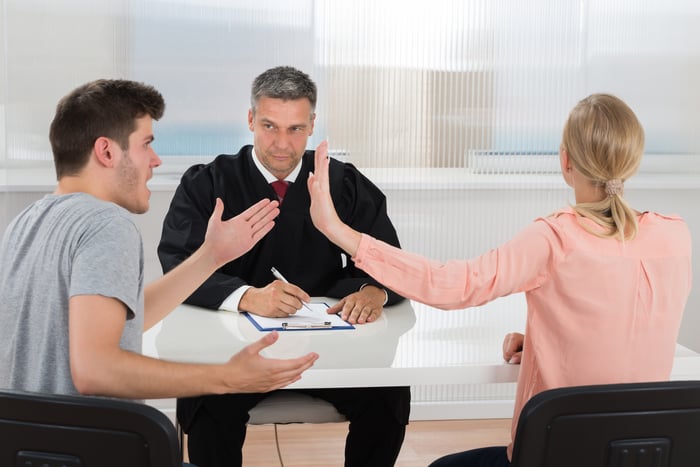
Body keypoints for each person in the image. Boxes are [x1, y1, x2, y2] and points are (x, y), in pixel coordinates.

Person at [306, 93, 692, 467]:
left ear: (566, 160)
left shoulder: (555, 238)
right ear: (633, 160)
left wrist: (337, 228)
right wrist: (554, 340)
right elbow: (631, 324)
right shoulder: (675, 236)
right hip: (642, 452)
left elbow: (451, 284)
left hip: (556, 454)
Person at [0, 79, 318, 407]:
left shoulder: (26, 223)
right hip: (88, 445)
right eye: (146, 144)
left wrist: (210, 256)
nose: (156, 160)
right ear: (107, 151)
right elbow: (95, 370)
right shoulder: (106, 225)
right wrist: (228, 378)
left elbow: (126, 318)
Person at [157, 66, 410, 467]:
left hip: (329, 347)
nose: (280, 144)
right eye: (270, 126)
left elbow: (392, 259)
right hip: (230, 349)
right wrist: (246, 297)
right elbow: (177, 264)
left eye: (295, 129)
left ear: (312, 125)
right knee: (208, 401)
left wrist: (373, 291)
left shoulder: (341, 183)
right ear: (251, 120)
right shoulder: (208, 183)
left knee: (388, 393)